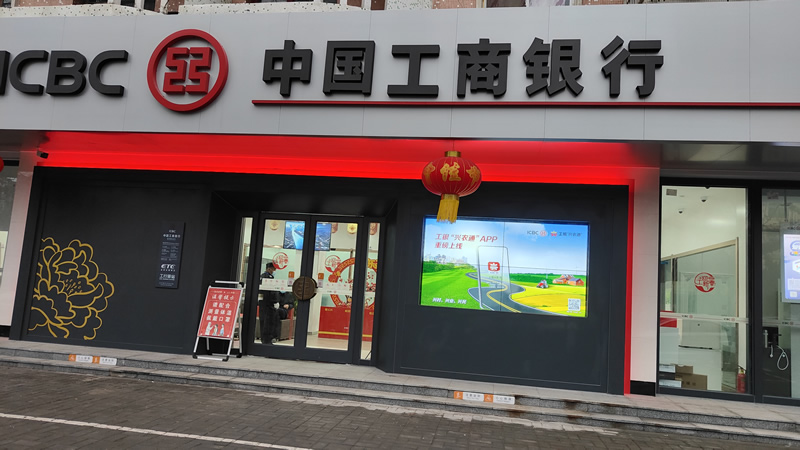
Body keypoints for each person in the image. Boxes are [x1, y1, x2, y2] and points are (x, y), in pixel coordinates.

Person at [258, 263, 281, 343]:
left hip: (266, 304)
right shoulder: (266, 277)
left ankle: (266, 339)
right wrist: (274, 301)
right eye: (273, 269)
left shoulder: (265, 277)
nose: (274, 271)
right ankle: (266, 340)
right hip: (268, 304)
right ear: (269, 269)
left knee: (266, 321)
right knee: (267, 322)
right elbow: (270, 291)